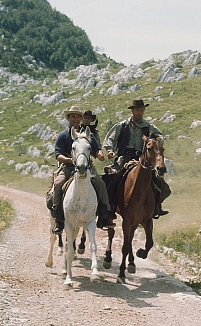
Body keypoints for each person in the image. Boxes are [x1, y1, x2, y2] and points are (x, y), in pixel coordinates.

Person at [52, 105, 115, 234]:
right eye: (73, 116)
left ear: (81, 118)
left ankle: (104, 214)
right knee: (58, 183)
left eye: (78, 116)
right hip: (68, 167)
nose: (76, 119)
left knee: (100, 184)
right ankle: (58, 217)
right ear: (68, 118)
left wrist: (99, 154)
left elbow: (96, 148)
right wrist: (70, 160)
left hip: (86, 167)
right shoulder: (63, 136)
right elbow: (58, 154)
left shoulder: (88, 134)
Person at [103, 99, 170, 218]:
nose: (140, 112)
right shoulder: (123, 125)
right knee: (114, 177)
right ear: (132, 111)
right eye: (137, 110)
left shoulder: (148, 127)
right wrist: (110, 150)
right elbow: (110, 138)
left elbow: (160, 137)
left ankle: (156, 206)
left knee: (157, 180)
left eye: (141, 110)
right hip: (124, 156)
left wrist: (153, 142)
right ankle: (110, 208)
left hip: (142, 158)